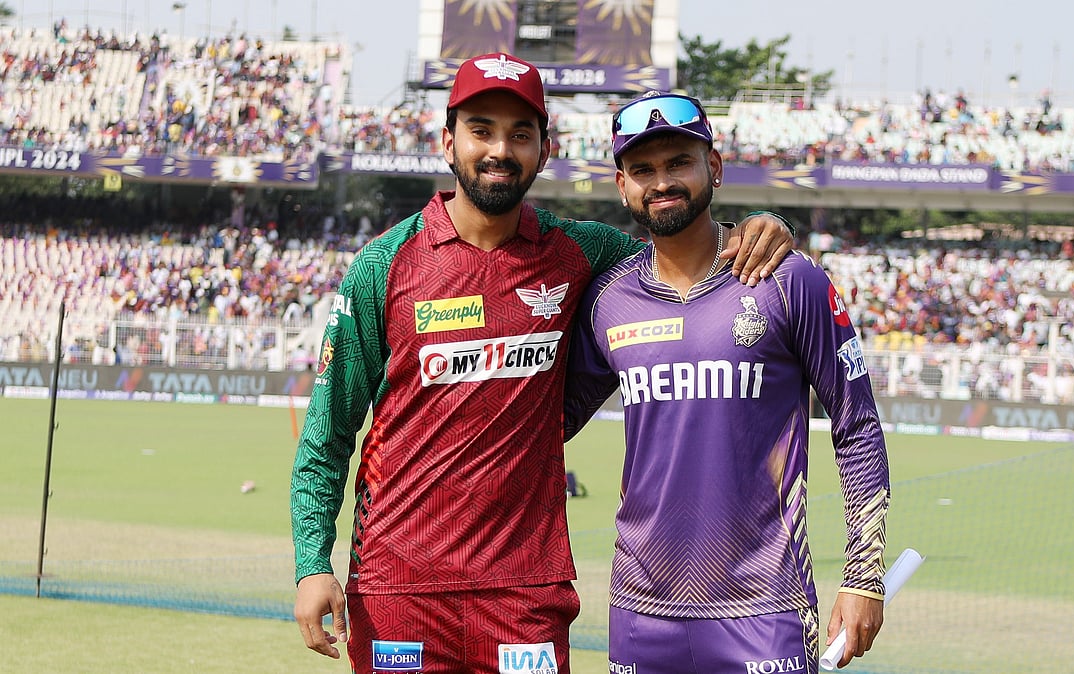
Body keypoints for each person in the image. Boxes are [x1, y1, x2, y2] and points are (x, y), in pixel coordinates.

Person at [290, 54, 797, 674]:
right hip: (400, 590)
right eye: (481, 130)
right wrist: (311, 564)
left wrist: (759, 226)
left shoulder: (581, 252)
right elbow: (327, 433)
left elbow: (679, 249)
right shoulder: (384, 264)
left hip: (525, 595)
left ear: (544, 150)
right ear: (447, 142)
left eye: (520, 134)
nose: (500, 150)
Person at [563, 91, 891, 673]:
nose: (662, 182)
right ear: (621, 185)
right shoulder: (609, 300)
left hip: (765, 607)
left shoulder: (790, 281)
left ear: (713, 167)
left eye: (678, 163)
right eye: (643, 170)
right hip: (640, 609)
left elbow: (857, 425)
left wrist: (864, 576)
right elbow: (546, 422)